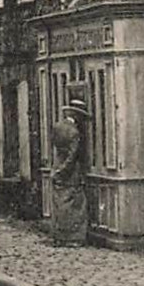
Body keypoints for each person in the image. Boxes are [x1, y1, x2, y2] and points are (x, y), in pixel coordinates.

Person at [51, 83, 92, 247]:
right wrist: (64, 171)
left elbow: (56, 149)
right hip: (71, 174)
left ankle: (59, 236)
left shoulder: (57, 127)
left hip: (56, 168)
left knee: (60, 205)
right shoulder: (75, 132)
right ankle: (73, 238)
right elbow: (73, 156)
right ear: (77, 116)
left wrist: (56, 170)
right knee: (76, 207)